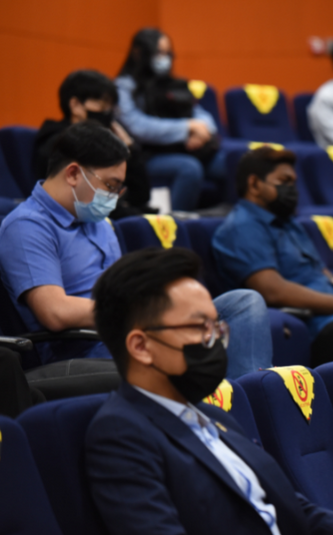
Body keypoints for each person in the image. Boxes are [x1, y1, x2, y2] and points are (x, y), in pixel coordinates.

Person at [86, 247, 333, 535]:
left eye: (216, 327)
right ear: (141, 346)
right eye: (201, 327)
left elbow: (292, 509)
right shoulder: (120, 433)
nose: (215, 341)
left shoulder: (214, 416)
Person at [0, 122, 271, 378]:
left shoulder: (99, 222)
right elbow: (55, 312)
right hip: (84, 349)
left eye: (120, 188)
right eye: (110, 186)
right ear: (72, 174)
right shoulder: (27, 226)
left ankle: (239, 407)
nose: (115, 198)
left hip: (130, 330)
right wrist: (142, 311)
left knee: (243, 305)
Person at [212, 146, 333, 366]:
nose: (292, 189)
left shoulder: (289, 223)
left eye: (293, 182)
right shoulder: (242, 227)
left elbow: (327, 276)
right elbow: (273, 290)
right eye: (284, 181)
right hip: (317, 328)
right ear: (254, 184)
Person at [116, 28, 225, 212]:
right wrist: (186, 128)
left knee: (228, 164)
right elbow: (137, 127)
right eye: (158, 53)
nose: (164, 59)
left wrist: (202, 132)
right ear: (139, 52)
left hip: (186, 148)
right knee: (190, 169)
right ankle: (175, 226)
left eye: (168, 53)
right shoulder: (124, 86)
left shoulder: (173, 83)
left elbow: (201, 115)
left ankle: (221, 220)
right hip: (148, 156)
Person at [33, 69, 151, 218]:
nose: (107, 114)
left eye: (110, 108)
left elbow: (141, 195)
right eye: (102, 106)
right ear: (75, 105)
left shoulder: (104, 145)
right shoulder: (57, 144)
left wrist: (129, 147)